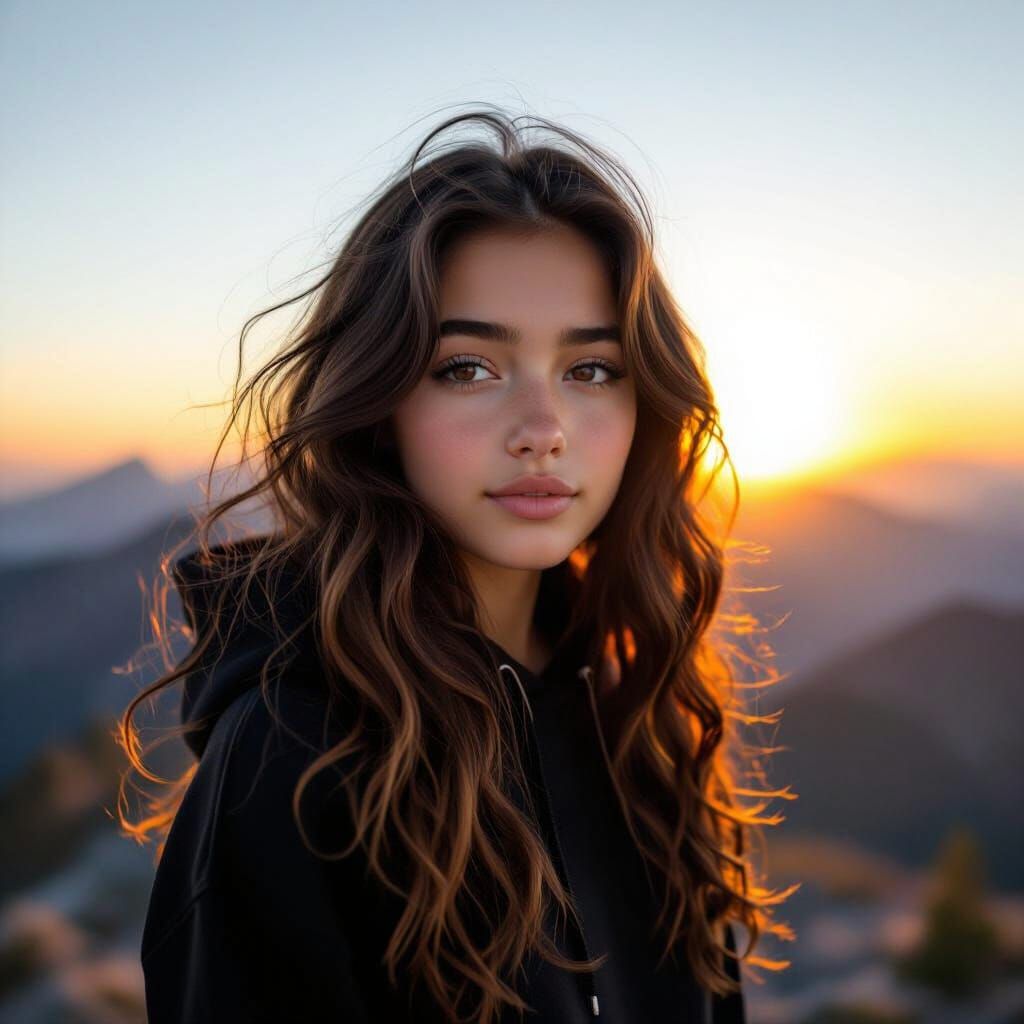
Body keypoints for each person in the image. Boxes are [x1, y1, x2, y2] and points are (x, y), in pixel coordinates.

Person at [121, 106, 795, 1023]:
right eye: (469, 368)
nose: (544, 432)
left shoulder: (631, 716)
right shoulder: (293, 758)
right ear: (377, 400)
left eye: (591, 370)